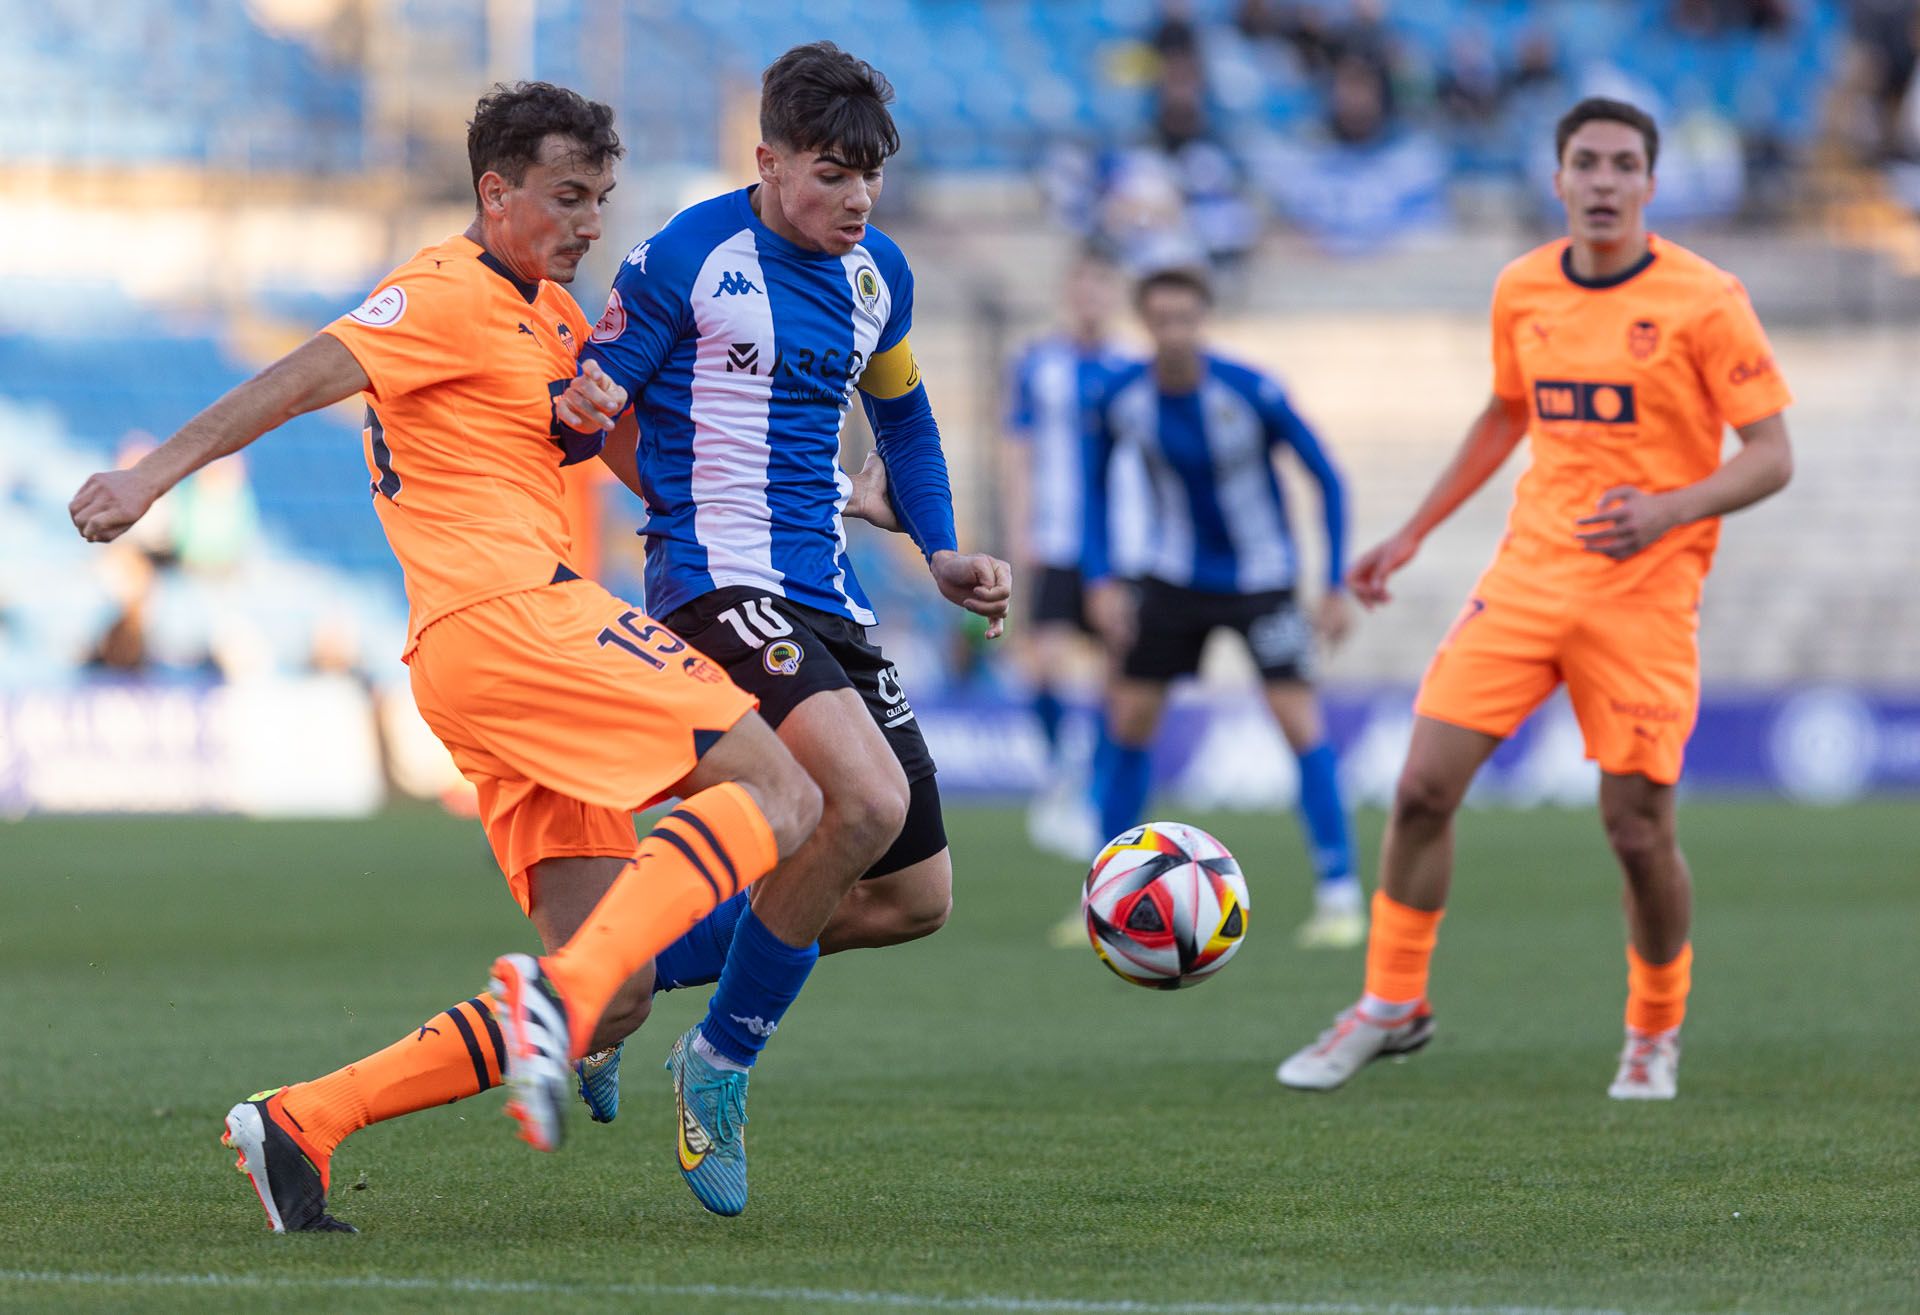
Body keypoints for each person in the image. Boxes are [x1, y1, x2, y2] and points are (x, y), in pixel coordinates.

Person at [67, 82, 822, 1232]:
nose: (588, 224)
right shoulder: (436, 295)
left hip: (474, 662)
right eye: (567, 198)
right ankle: (547, 1000)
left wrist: (848, 502)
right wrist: (148, 478)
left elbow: (656, 469)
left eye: (601, 200)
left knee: (614, 991)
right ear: (495, 190)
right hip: (519, 619)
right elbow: (295, 382)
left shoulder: (559, 323)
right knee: (784, 789)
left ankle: (302, 1120)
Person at [1277, 97, 1794, 1099]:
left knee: (1638, 831)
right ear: (1557, 179)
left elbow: (1773, 455)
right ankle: (1390, 1002)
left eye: (1623, 166)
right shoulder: (1523, 288)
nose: (1603, 183)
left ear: (1651, 182)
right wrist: (1415, 529)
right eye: (1586, 164)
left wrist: (1667, 511)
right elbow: (1508, 411)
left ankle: (1652, 1028)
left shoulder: (1706, 298)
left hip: (1645, 595)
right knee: (1424, 786)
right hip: (1528, 576)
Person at [579, 41, 1011, 1217]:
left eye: (870, 176)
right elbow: (590, 396)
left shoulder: (882, 280)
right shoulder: (687, 255)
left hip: (829, 596)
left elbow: (906, 427)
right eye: (829, 174)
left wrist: (941, 551)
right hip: (714, 584)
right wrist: (631, 455)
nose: (855, 199)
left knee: (912, 896)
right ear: (766, 161)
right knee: (856, 806)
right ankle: (718, 1065)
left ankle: (626, 964)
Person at [1082, 266, 1363, 950]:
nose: (1174, 331)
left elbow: (1326, 477)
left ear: (1202, 319)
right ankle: (1104, 890)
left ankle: (1340, 889)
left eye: (1185, 317)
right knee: (1129, 717)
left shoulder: (1251, 390)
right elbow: (1091, 488)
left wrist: (1333, 583)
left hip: (1261, 579)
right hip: (1172, 577)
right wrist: (1102, 579)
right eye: (1161, 319)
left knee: (1298, 719)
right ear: (1145, 322)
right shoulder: (1122, 397)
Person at [1001, 254, 1135, 859]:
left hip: (1121, 543)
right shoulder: (1039, 364)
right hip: (1054, 538)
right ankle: (1062, 771)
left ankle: (1093, 793)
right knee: (1044, 661)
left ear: (1113, 295)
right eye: (1080, 285)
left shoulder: (1134, 370)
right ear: (1067, 292)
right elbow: (1018, 449)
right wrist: (1018, 529)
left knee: (1116, 675)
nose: (1090, 298)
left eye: (1099, 286)